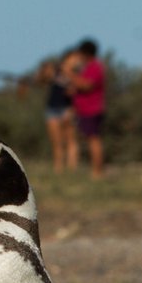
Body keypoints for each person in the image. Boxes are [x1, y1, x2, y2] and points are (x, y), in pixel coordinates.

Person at [71, 38, 106, 178]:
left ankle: (97, 171)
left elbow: (86, 85)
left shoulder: (95, 67)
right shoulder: (88, 67)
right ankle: (94, 170)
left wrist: (70, 74)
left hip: (92, 109)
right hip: (85, 109)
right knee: (89, 139)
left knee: (94, 140)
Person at [39, 50, 79, 172]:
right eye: (74, 58)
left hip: (67, 109)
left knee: (70, 140)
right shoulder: (56, 71)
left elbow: (76, 90)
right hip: (52, 109)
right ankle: (58, 168)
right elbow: (42, 79)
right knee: (57, 142)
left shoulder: (77, 74)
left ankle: (72, 169)